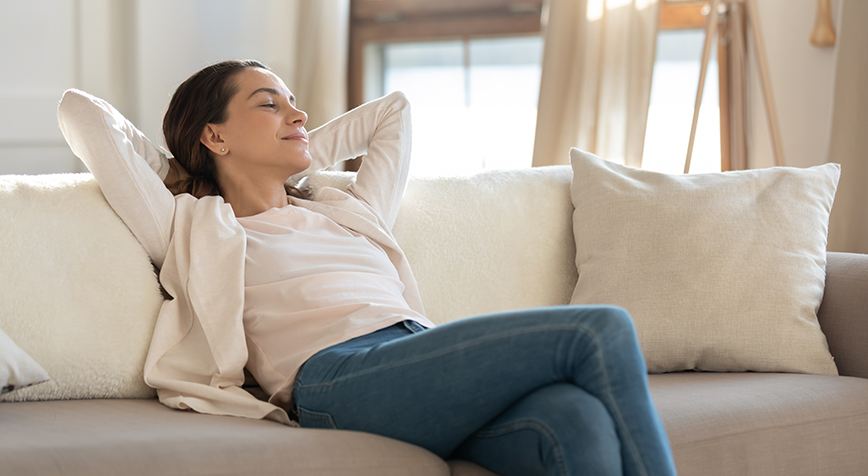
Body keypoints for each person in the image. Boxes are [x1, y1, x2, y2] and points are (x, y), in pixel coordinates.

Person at [58, 60, 677, 476]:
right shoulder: (192, 225)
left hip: (416, 354)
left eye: (296, 106)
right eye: (270, 105)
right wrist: (188, 170)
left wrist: (292, 150)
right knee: (599, 329)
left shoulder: (348, 209)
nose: (298, 115)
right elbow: (81, 112)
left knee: (577, 420)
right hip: (336, 378)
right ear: (215, 137)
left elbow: (394, 111)